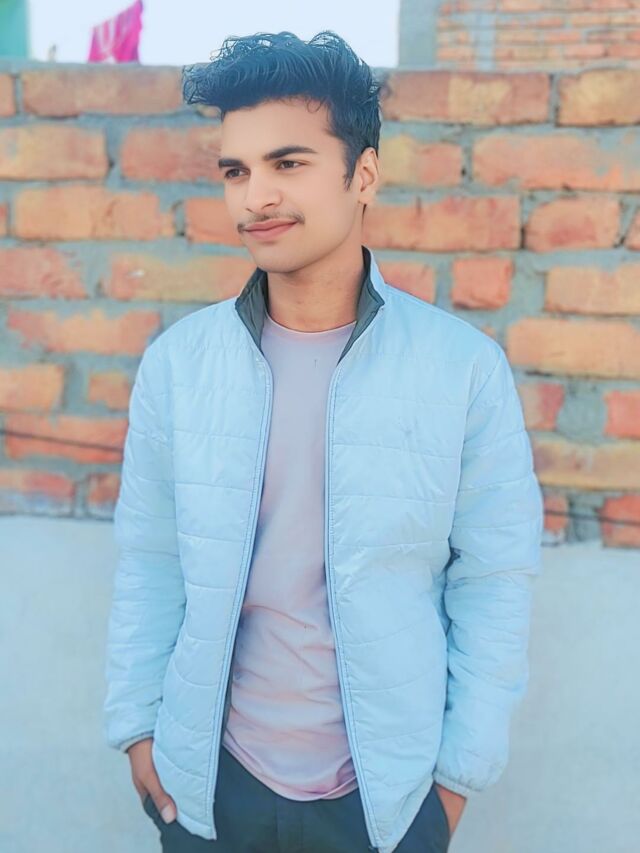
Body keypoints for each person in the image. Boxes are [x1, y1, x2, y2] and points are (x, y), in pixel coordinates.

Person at [103, 30, 543, 853]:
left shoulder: (461, 370)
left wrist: (454, 783)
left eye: (288, 163)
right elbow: (151, 558)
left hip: (382, 802)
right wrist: (137, 728)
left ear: (363, 174)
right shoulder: (179, 365)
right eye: (236, 171)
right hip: (211, 788)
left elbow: (495, 577)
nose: (256, 196)